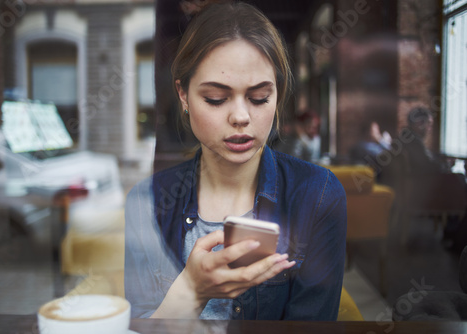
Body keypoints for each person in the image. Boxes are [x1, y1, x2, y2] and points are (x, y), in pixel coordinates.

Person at [124, 2, 347, 321]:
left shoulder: (318, 195)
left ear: (278, 94)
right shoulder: (146, 201)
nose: (241, 117)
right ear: (184, 95)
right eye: (216, 98)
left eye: (259, 98)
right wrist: (192, 290)